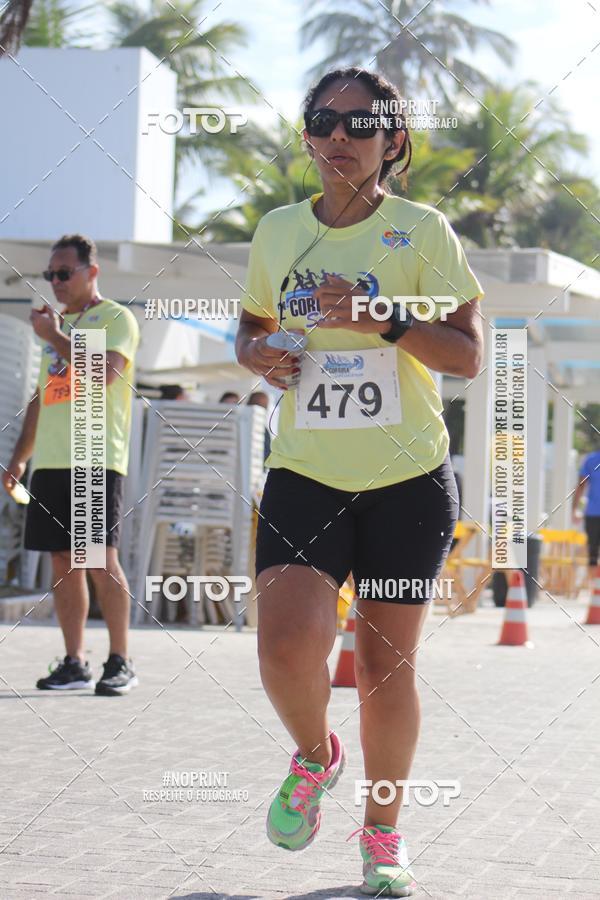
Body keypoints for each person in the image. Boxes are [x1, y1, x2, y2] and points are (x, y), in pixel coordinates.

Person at [235, 67, 484, 896]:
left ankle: (383, 836)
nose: (339, 135)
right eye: (322, 120)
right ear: (306, 135)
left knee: (383, 668)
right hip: (305, 467)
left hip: (405, 478)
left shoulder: (423, 231)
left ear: (391, 140)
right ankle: (315, 757)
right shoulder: (276, 231)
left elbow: (468, 356)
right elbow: (252, 325)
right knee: (284, 646)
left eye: (359, 123)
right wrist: (254, 353)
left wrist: (384, 317)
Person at [2, 234, 140, 696]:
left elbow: (105, 372)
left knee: (99, 559)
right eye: (50, 275)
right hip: (53, 461)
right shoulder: (57, 327)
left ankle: (121, 659)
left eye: (65, 273)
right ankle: (74, 661)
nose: (56, 282)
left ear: (91, 272)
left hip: (95, 455)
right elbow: (42, 398)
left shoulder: (115, 317)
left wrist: (54, 336)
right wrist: (20, 458)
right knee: (64, 563)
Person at [572, 445, 600, 581]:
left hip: (593, 514)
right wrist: (575, 509)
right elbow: (581, 485)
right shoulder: (591, 460)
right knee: (593, 552)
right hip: (593, 514)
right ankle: (595, 589)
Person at [248, 390, 271, 461]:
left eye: (264, 407)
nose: (261, 410)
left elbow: (267, 454)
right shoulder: (236, 426)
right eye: (257, 405)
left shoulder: (264, 430)